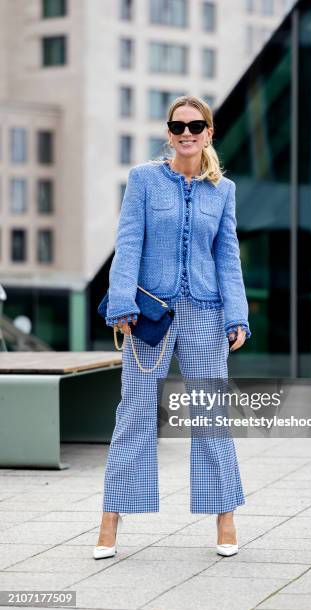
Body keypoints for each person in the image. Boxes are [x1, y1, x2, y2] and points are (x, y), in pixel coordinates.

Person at [93, 95, 252, 560]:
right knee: (136, 413)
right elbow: (128, 241)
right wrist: (121, 303)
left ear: (209, 132)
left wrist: (236, 314)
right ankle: (110, 519)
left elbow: (227, 256)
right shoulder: (144, 180)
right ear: (168, 132)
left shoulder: (224, 190)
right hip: (149, 316)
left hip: (206, 313)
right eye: (178, 125)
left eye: (195, 125)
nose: (186, 132)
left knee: (210, 416)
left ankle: (225, 516)